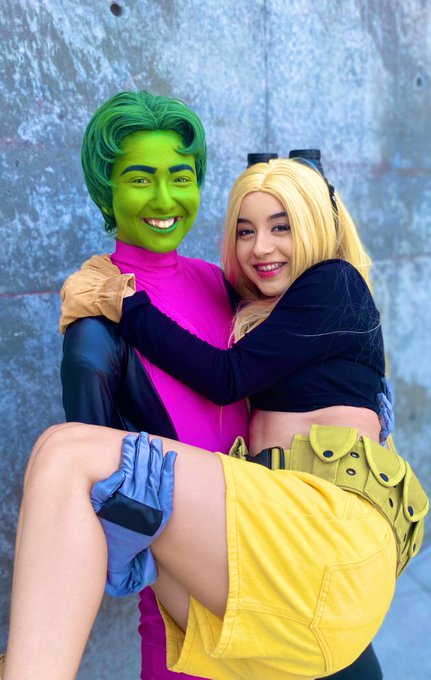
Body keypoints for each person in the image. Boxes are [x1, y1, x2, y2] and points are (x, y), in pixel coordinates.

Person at [5, 159, 428, 680]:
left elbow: (227, 377)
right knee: (94, 486)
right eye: (245, 231)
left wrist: (127, 303)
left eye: (281, 227)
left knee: (68, 453)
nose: (260, 247)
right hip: (288, 575)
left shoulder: (334, 283)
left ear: (316, 223)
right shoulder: (273, 314)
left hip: (331, 549)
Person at [60, 89, 249, 680]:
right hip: (182, 607)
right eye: (141, 179)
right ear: (106, 191)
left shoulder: (223, 282)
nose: (165, 199)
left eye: (181, 177)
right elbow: (94, 482)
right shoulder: (97, 315)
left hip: (268, 556)